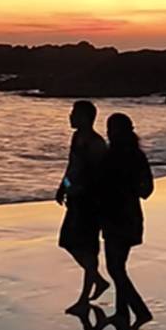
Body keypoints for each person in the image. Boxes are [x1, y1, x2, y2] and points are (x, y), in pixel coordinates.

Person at [99, 112, 154, 329]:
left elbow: (100, 186)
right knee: (119, 265)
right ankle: (122, 313)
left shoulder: (110, 156)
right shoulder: (138, 155)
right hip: (131, 215)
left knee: (115, 268)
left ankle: (140, 310)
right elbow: (147, 190)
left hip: (114, 217)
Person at [56, 99, 110, 314]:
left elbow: (100, 177)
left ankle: (84, 298)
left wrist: (83, 192)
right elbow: (72, 167)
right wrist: (63, 186)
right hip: (76, 199)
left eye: (74, 113)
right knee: (67, 241)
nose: (70, 117)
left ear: (86, 117)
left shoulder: (96, 144)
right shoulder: (77, 137)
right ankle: (97, 280)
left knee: (88, 248)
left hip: (90, 203)